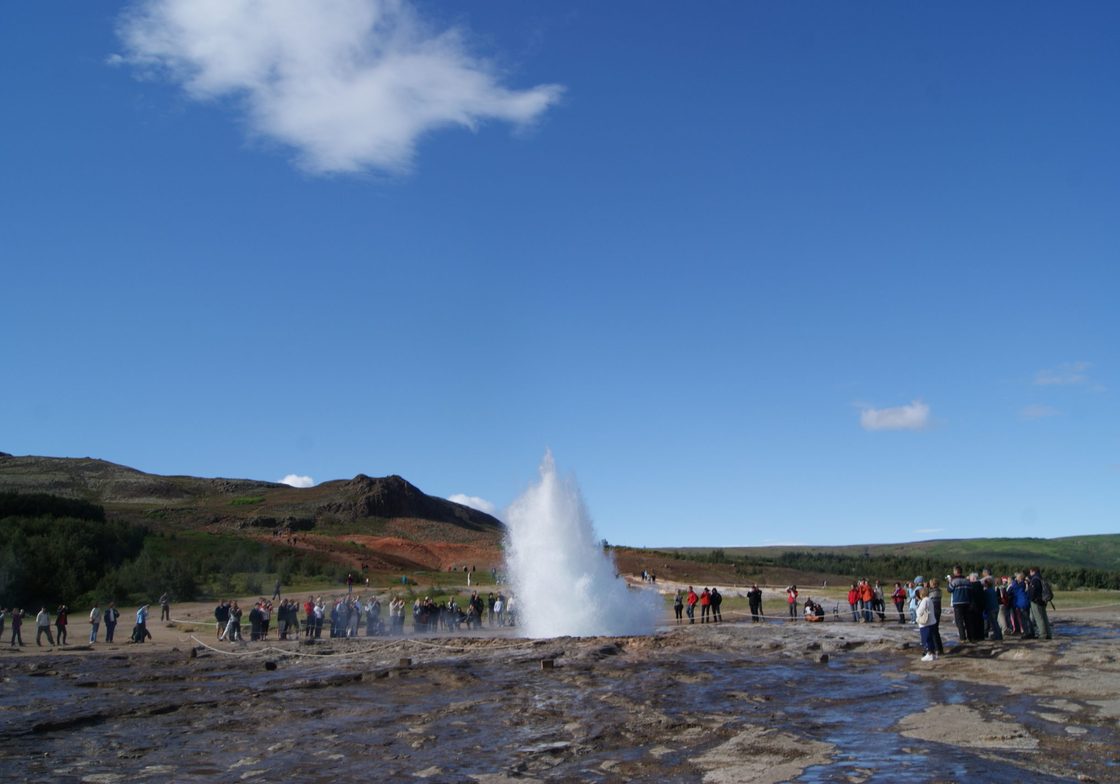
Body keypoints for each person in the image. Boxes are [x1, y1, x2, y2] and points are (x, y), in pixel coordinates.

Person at [947, 566, 972, 642]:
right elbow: (970, 591)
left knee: (959, 621)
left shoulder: (954, 581)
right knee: (967, 620)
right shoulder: (967, 581)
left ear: (956, 572)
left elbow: (949, 590)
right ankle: (970, 637)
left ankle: (962, 637)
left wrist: (949, 582)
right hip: (967, 602)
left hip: (958, 603)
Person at [1028, 566, 1053, 640]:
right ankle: (1048, 633)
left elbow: (1033, 591)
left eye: (1030, 572)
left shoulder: (1034, 579)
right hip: (1043, 601)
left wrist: (1031, 598)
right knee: (1044, 618)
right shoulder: (1041, 578)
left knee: (1039, 618)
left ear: (1033, 571)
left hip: (1036, 601)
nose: (1030, 573)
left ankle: (1043, 634)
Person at [915, 587, 937, 661]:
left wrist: (917, 610)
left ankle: (929, 654)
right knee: (930, 638)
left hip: (926, 623)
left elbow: (919, 611)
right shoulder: (929, 599)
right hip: (931, 622)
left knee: (926, 639)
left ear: (921, 594)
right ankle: (933, 654)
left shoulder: (924, 600)